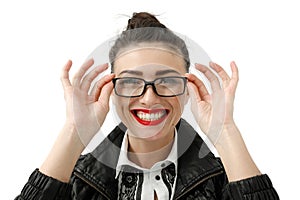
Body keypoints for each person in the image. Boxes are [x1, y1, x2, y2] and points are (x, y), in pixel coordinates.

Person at [15, 12, 279, 200]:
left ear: (187, 90)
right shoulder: (71, 181)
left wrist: (226, 132)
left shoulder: (226, 181)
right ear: (112, 90)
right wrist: (74, 132)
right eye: (131, 81)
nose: (149, 98)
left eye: (166, 80)